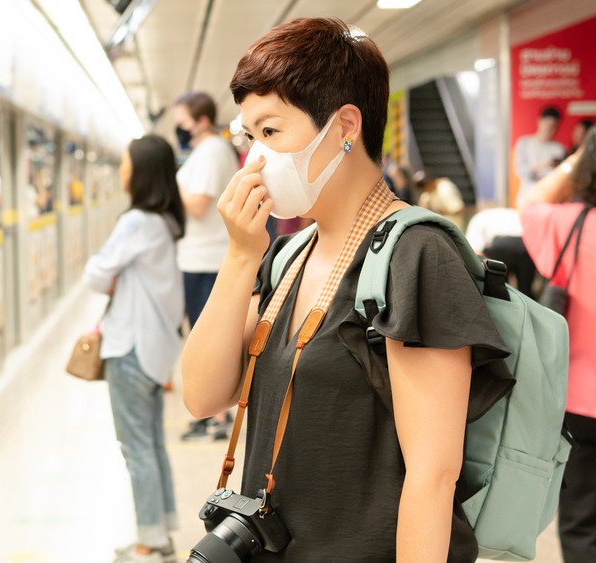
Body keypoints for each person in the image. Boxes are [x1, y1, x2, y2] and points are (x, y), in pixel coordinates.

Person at [182, 18, 513, 561]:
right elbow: (201, 394)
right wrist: (241, 255)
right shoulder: (289, 253)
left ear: (344, 126)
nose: (255, 160)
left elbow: (433, 474)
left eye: (271, 132)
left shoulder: (416, 255)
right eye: (249, 137)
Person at [84, 134, 185, 563]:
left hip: (129, 349)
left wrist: (109, 272)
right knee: (152, 444)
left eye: (126, 163)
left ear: (140, 171)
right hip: (157, 351)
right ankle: (160, 528)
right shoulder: (165, 223)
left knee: (135, 447)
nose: (121, 170)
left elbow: (95, 273)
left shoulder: (136, 223)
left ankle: (148, 541)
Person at [520, 128, 596, 563]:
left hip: (579, 399)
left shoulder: (568, 222)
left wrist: (578, 157)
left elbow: (530, 202)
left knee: (582, 518)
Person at [173, 91, 240, 441]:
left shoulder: (213, 151)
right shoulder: (203, 151)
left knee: (208, 339)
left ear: (200, 120)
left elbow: (199, 205)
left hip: (208, 259)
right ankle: (211, 411)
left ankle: (217, 416)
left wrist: (168, 189)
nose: (179, 128)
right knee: (199, 337)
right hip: (196, 256)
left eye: (182, 121)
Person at [514, 106, 566, 207]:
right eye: (548, 124)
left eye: (554, 126)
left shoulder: (560, 148)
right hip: (528, 198)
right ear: (539, 121)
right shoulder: (524, 143)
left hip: (551, 200)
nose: (550, 129)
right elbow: (521, 171)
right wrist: (545, 165)